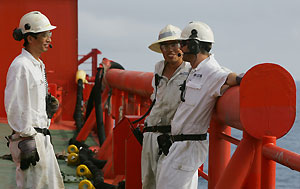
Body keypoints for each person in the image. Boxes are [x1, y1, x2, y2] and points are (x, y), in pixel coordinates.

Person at [156, 21, 240, 189]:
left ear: (194, 45)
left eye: (183, 43)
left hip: (188, 147)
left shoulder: (211, 70)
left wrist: (246, 80)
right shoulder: (195, 71)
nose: (180, 47)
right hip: (179, 145)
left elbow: (229, 77)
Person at [4, 11, 64, 188]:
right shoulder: (21, 66)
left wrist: (47, 110)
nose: (49, 39)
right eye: (45, 35)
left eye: (49, 35)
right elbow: (14, 105)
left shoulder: (37, 65)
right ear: (30, 38)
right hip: (30, 139)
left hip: (42, 136)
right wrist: (26, 137)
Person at [141, 24, 191, 189]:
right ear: (160, 49)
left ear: (182, 46)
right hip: (151, 133)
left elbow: (217, 74)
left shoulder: (192, 70)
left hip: (172, 137)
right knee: (148, 182)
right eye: (165, 45)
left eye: (174, 44)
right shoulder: (158, 68)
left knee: (168, 184)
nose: (170, 49)